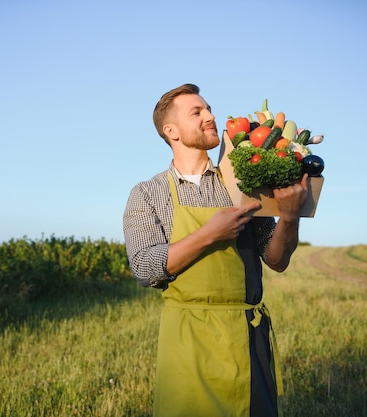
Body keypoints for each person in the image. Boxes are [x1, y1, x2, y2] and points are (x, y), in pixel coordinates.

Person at [122, 83, 309, 417]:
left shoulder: (242, 185)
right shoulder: (147, 194)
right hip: (187, 340)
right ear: (171, 130)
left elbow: (276, 259)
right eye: (197, 112)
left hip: (247, 338)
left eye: (208, 108)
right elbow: (145, 268)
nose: (210, 116)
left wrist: (290, 217)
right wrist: (209, 234)